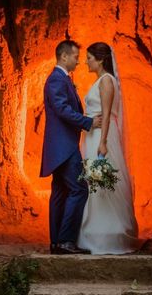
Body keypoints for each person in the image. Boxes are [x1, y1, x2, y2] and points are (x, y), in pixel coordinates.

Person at [76, 42, 141, 255]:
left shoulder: (106, 81)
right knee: (95, 181)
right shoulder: (100, 81)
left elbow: (106, 113)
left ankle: (107, 231)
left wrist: (103, 142)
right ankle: (96, 227)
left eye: (90, 58)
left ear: (101, 60)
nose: (86, 61)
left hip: (101, 136)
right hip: (94, 135)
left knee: (102, 180)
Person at [40, 39, 102, 255]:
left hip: (60, 147)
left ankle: (56, 242)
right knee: (79, 189)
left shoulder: (61, 79)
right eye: (76, 57)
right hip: (64, 147)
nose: (78, 62)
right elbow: (62, 109)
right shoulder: (57, 79)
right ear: (64, 56)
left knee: (60, 192)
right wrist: (88, 122)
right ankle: (66, 241)